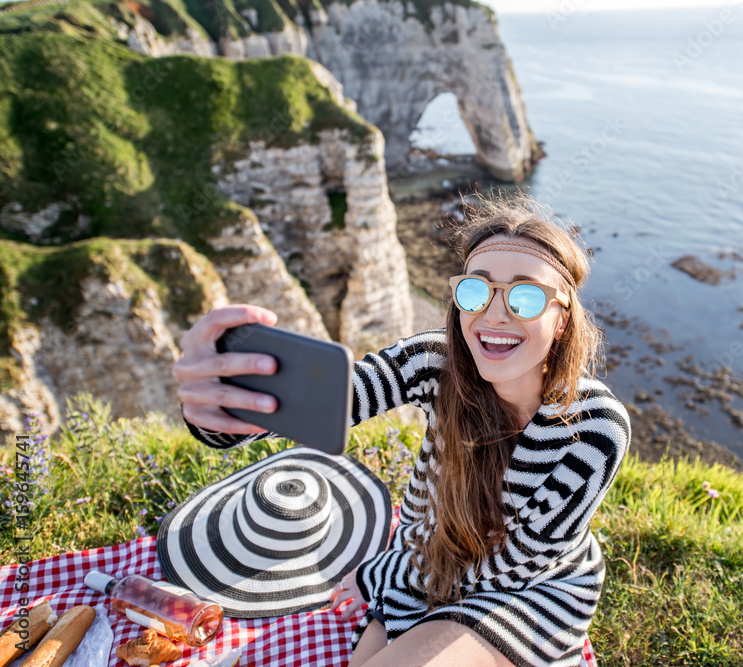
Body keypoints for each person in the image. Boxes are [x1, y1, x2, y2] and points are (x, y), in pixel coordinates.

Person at [173, 195, 631, 667]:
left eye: (526, 295)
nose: (494, 315)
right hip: (433, 554)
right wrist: (220, 405)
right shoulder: (435, 364)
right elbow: (332, 399)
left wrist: (390, 575)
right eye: (476, 290)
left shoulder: (595, 428)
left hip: (531, 590)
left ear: (562, 320)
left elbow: (517, 564)